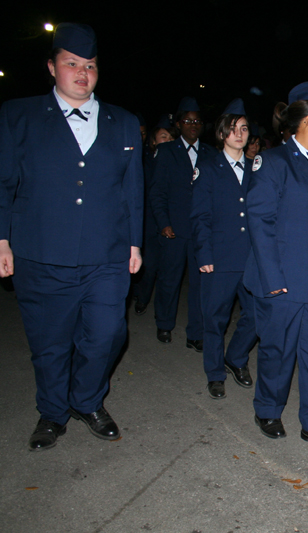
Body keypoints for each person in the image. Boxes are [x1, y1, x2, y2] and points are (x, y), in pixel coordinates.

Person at [0, 23, 144, 450]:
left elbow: (131, 189)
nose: (83, 73)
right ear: (52, 67)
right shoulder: (18, 115)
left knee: (106, 335)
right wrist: (1, 240)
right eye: (72, 64)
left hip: (107, 255)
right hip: (41, 253)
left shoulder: (123, 121)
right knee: (50, 344)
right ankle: (52, 412)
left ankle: (87, 400)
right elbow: (4, 182)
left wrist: (135, 243)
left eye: (91, 66)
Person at [243, 81, 308, 454]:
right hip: (284, 278)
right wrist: (272, 279)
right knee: (277, 349)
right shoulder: (272, 163)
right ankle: (269, 409)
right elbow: (260, 222)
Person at [190, 99, 258, 400]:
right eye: (232, 129)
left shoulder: (258, 169)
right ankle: (215, 373)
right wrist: (204, 254)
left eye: (243, 129)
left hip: (252, 258)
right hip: (219, 256)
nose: (239, 134)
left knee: (257, 315)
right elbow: (200, 216)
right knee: (215, 318)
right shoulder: (207, 168)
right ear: (221, 134)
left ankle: (236, 357)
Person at [150, 97, 215, 349]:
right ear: (178, 124)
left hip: (200, 230)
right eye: (188, 120)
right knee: (170, 279)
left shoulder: (211, 153)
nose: (193, 125)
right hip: (174, 229)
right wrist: (163, 222)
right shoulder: (166, 152)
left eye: (197, 120)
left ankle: (195, 332)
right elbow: (157, 192)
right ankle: (164, 323)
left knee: (200, 284)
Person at [133, 115, 175, 316]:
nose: (167, 141)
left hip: (168, 221)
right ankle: (142, 297)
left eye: (170, 138)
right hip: (147, 222)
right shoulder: (143, 160)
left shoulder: (175, 161)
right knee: (148, 266)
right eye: (163, 137)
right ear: (153, 140)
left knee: (163, 269)